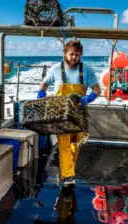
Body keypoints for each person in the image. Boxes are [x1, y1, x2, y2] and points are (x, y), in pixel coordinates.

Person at [37, 39, 101, 182]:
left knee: (75, 145)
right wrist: (41, 96)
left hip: (79, 115)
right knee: (64, 145)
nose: (74, 58)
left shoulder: (87, 70)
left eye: (77, 55)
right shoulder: (55, 69)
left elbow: (97, 90)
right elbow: (43, 84)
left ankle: (67, 171)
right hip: (61, 116)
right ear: (65, 53)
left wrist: (88, 99)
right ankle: (68, 177)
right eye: (71, 54)